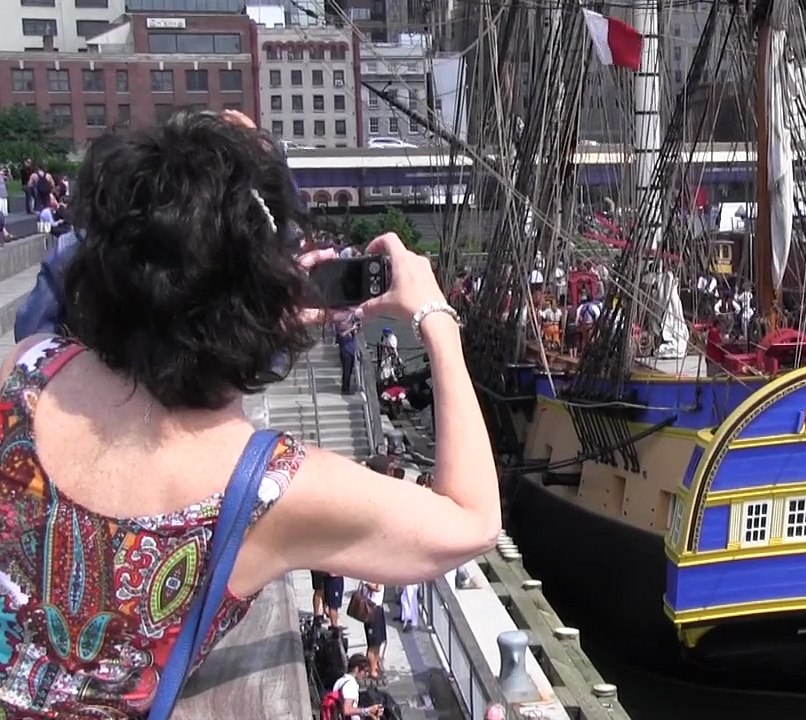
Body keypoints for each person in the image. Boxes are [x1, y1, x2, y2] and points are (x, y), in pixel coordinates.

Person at [0, 110, 499, 717]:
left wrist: (255, 320)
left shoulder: (28, 369)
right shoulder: (264, 490)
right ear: (264, 294)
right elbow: (473, 521)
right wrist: (435, 318)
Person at [332, 654, 383, 718]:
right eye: (365, 671)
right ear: (356, 669)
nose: (367, 675)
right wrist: (368, 710)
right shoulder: (350, 684)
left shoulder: (340, 681)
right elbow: (346, 710)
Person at [334, 308, 363, 394]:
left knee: (349, 371)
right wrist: (351, 328)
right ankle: (345, 389)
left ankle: (347, 388)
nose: (348, 324)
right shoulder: (341, 333)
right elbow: (341, 335)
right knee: (346, 371)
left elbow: (358, 330)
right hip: (345, 352)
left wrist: (357, 326)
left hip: (352, 352)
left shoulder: (351, 333)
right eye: (346, 323)